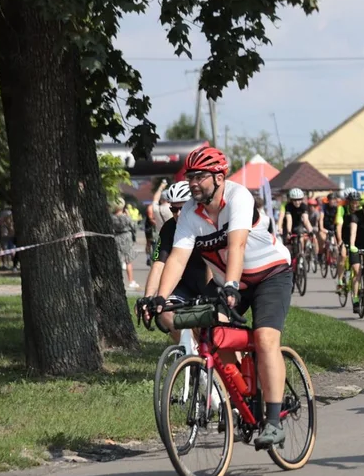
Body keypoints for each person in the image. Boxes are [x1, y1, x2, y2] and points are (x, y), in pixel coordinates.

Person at [154, 145, 294, 449]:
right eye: (190, 176)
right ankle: (243, 398)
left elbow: (237, 246)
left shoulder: (238, 196)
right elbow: (178, 258)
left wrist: (231, 284)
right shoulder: (190, 211)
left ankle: (272, 419)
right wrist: (159, 297)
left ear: (219, 177)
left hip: (269, 275)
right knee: (212, 332)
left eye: (199, 176)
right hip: (230, 282)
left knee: (266, 338)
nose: (192, 182)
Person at [138, 181, 206, 340]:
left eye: (183, 208)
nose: (178, 214)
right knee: (164, 312)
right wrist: (148, 297)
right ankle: (188, 355)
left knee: (208, 330)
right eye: (174, 209)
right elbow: (158, 264)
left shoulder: (206, 224)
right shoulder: (169, 228)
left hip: (208, 282)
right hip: (185, 284)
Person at [110, 200, 139, 289]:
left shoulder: (111, 217)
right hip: (127, 237)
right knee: (128, 260)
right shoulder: (126, 217)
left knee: (117, 260)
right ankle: (130, 281)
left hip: (116, 237)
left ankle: (115, 280)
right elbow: (134, 227)